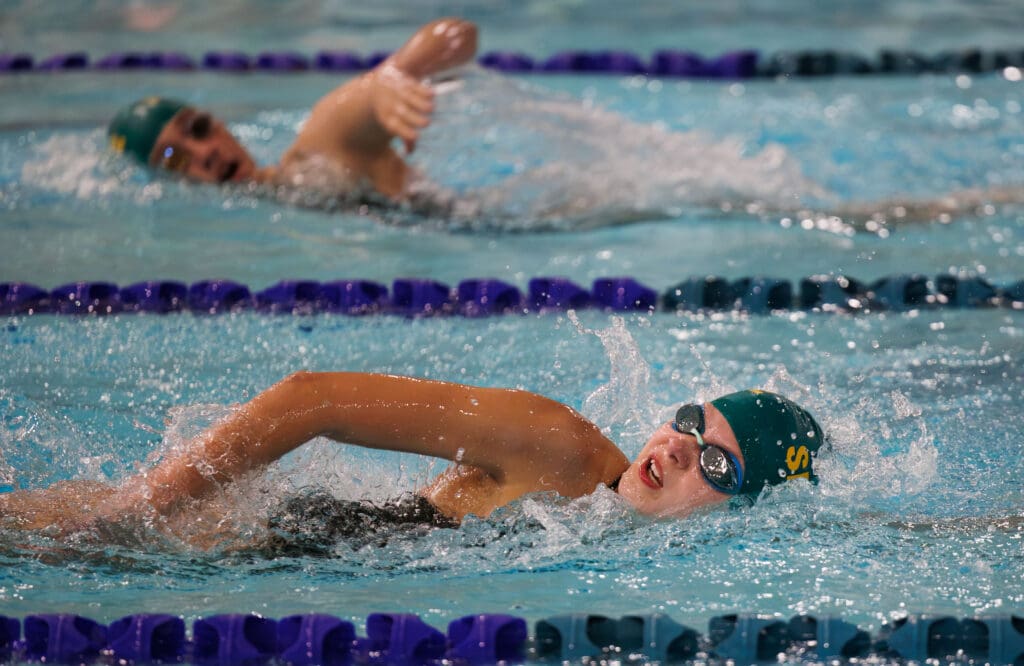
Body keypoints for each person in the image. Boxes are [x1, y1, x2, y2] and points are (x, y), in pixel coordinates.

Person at [0, 372, 825, 547]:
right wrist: (141, 507)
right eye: (689, 422)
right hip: (209, 540)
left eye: (714, 465)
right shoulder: (563, 449)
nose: (676, 447)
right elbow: (310, 399)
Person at [106, 18, 478, 202]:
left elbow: (459, 35)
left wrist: (394, 74)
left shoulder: (317, 152)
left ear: (219, 124)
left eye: (199, 128)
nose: (205, 153)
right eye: (173, 158)